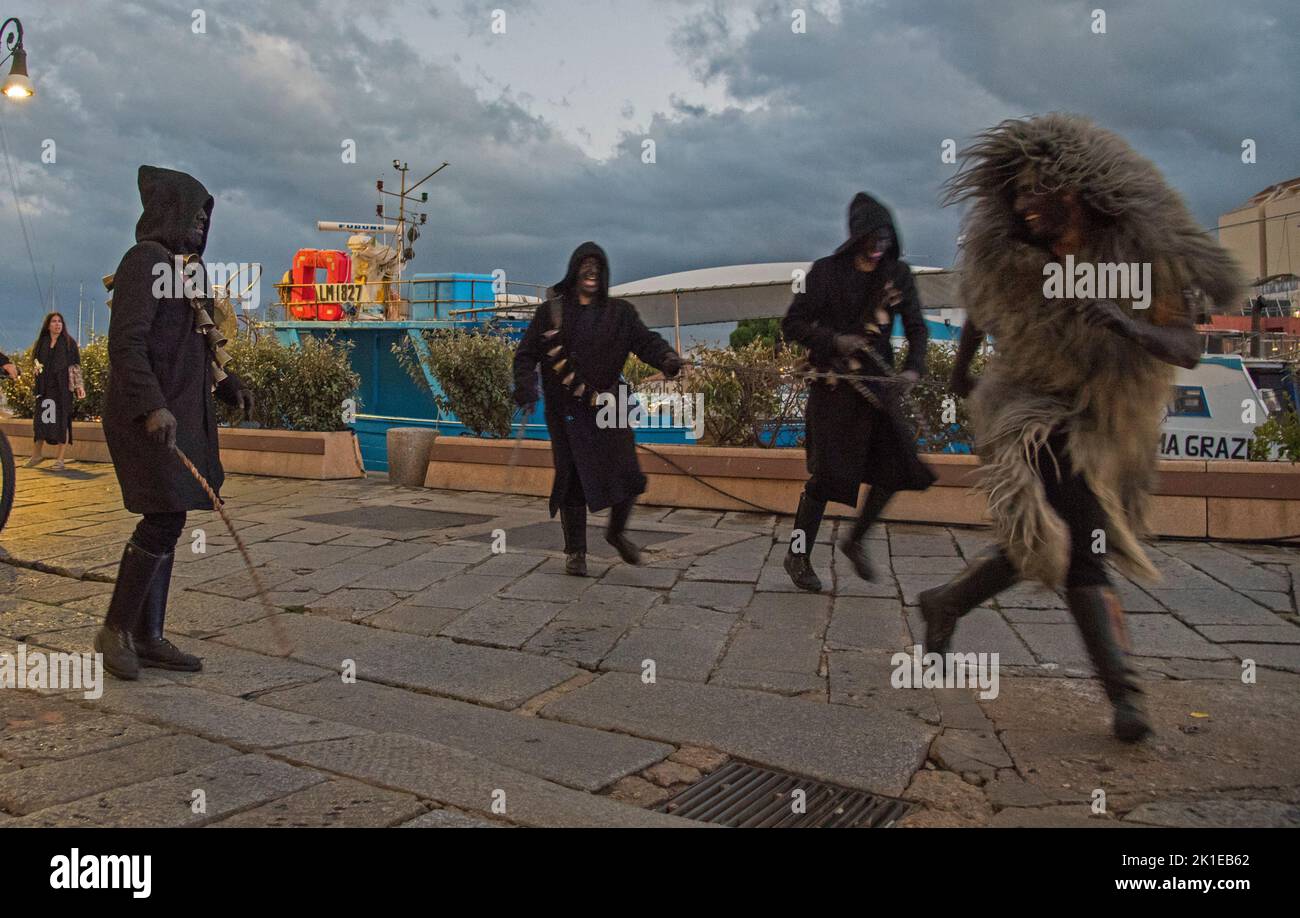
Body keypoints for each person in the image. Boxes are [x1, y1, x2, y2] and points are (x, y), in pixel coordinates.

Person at [926, 114, 1243, 742]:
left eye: (1032, 189)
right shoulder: (1012, 251)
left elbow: (1183, 346)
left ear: (1073, 187)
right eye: (1012, 192)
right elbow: (981, 303)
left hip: (1103, 413)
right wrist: (962, 371)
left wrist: (1121, 323)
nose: (1022, 204)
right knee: (1086, 536)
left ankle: (947, 602)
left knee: (1064, 536)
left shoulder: (1136, 253)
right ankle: (1126, 698)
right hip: (1029, 409)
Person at [94, 165, 253, 680]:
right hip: (147, 417)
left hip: (176, 415)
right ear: (171, 212)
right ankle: (115, 630)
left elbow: (196, 345)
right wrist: (151, 405)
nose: (202, 227)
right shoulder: (143, 262)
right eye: (195, 215)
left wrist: (227, 384)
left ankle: (147, 634)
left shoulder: (184, 272)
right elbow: (127, 343)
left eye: (208, 218)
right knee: (162, 516)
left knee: (172, 516)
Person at [780, 192, 934, 591]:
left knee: (899, 467)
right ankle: (797, 554)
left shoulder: (897, 275)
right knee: (825, 479)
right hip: (834, 389)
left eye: (885, 237)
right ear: (857, 236)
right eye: (872, 237)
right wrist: (834, 341)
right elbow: (792, 324)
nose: (878, 245)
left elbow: (917, 327)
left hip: (877, 392)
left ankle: (855, 540)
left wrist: (913, 369)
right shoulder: (825, 272)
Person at [513, 241, 684, 576]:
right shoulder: (551, 313)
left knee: (629, 475)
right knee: (572, 479)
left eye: (597, 265)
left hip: (609, 405)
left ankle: (616, 533)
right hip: (566, 411)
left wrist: (666, 358)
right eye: (584, 264)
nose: (591, 271)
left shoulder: (620, 313)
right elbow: (525, 355)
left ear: (603, 272)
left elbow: (645, 341)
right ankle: (575, 552)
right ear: (575, 270)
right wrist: (526, 386)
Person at [24, 312, 85, 471]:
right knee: (40, 422)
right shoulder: (41, 342)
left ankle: (60, 460)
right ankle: (36, 455)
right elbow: (35, 361)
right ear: (48, 325)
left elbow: (75, 366)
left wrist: (79, 387)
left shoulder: (69, 343)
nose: (58, 324)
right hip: (44, 389)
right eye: (54, 321)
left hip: (62, 389)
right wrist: (36, 369)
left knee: (61, 422)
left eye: (60, 321)